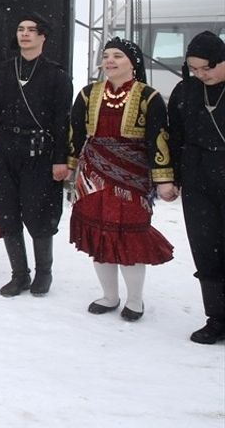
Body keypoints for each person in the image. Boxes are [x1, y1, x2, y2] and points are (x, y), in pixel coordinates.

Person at [67, 37, 177, 322]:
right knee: (100, 234)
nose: (110, 61)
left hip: (131, 177)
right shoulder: (88, 94)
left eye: (117, 56)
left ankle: (135, 300)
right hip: (93, 175)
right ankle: (110, 296)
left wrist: (164, 179)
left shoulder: (148, 96)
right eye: (106, 56)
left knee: (130, 236)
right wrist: (67, 165)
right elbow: (75, 132)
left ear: (133, 62)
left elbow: (158, 140)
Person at [0, 13, 73, 298]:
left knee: (38, 214)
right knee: (7, 213)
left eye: (32, 30)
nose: (25, 34)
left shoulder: (57, 75)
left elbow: (61, 121)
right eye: (21, 29)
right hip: (8, 149)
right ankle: (19, 274)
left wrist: (60, 159)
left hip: (40, 153)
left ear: (43, 36)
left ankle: (44, 273)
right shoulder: (4, 70)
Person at [168, 31, 225, 344]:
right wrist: (171, 176)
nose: (202, 75)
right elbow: (173, 135)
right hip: (197, 176)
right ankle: (215, 317)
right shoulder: (185, 90)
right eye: (195, 69)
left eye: (208, 68)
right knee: (206, 248)